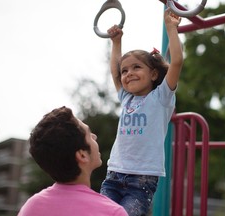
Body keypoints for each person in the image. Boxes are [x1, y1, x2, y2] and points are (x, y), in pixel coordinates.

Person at [100, 7, 183, 216]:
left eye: (136, 67)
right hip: (114, 175)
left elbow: (177, 62)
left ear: (154, 74)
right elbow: (114, 71)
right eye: (125, 71)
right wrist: (116, 42)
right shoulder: (126, 98)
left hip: (142, 180)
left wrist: (171, 29)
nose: (128, 74)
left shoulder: (161, 98)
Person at [18, 106, 128, 216]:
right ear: (82, 155)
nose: (94, 136)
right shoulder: (112, 212)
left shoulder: (31, 208)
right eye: (89, 134)